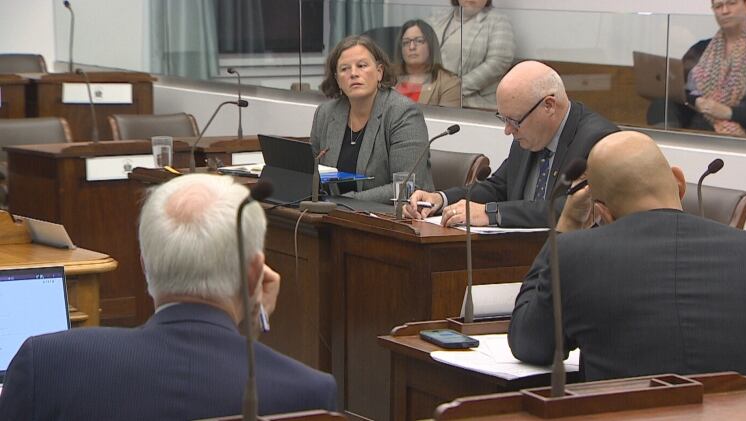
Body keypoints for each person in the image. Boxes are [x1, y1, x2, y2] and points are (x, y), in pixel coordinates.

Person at [0, 174, 337, 420]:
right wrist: (249, 335)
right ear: (255, 275)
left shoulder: (47, 364)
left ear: (146, 266)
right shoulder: (307, 393)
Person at [508, 131, 746, 386]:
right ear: (679, 182)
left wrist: (564, 226)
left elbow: (529, 344)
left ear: (602, 212)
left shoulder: (575, 256)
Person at [404, 61, 619, 228]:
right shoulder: (528, 134)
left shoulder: (598, 142)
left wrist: (492, 213)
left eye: (514, 121)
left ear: (549, 105)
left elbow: (572, 208)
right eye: (504, 119)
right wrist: (441, 200)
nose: (507, 130)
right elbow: (498, 187)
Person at [311, 35, 434, 204]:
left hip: (392, 220)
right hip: (333, 216)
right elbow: (313, 174)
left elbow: (406, 186)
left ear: (379, 72)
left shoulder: (403, 113)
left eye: (362, 66)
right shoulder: (325, 113)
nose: (353, 74)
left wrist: (342, 202)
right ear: (338, 80)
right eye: (345, 69)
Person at [647, 0, 746, 136]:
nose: (725, 11)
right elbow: (681, 91)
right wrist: (697, 102)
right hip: (700, 126)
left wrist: (729, 113)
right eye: (718, 6)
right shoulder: (700, 50)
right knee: (660, 105)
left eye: (731, 3)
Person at [426, 0, 515, 109]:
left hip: (474, 105)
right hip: (433, 98)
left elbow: (498, 63)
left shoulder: (498, 21)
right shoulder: (438, 17)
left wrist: (453, 88)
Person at [394, 19, 461, 108]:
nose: (412, 47)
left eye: (419, 41)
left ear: (431, 45)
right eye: (406, 42)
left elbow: (445, 121)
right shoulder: (387, 77)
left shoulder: (449, 83)